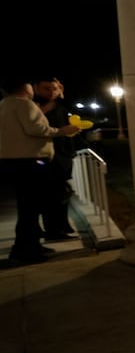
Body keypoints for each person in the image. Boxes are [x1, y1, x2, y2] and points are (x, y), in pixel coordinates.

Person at [1, 77, 81, 263]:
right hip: (31, 162)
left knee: (26, 207)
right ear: (25, 88)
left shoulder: (4, 104)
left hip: (12, 162)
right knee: (31, 208)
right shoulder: (24, 104)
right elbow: (36, 129)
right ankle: (25, 250)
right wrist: (62, 131)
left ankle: (30, 245)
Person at [33, 76, 80, 240]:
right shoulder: (33, 106)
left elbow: (75, 111)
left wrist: (62, 94)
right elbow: (36, 126)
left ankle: (62, 225)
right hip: (44, 156)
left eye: (54, 88)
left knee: (62, 192)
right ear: (36, 88)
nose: (51, 92)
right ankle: (53, 230)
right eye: (46, 88)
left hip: (63, 155)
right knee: (49, 195)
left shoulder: (61, 105)